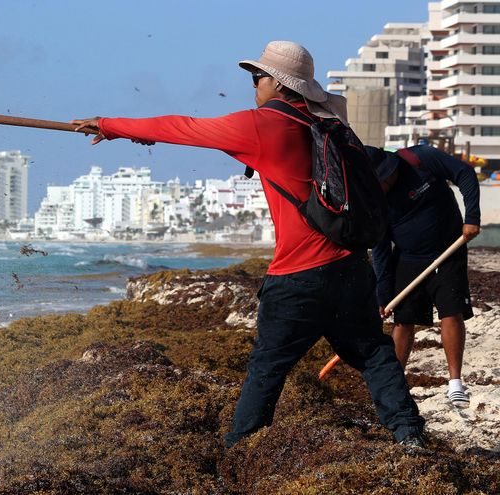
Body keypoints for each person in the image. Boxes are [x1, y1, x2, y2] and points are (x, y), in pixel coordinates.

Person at [72, 40, 426, 448]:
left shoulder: (260, 125)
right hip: (351, 267)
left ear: (276, 83)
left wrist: (109, 125)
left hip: (298, 276)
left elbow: (181, 127)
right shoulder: (327, 125)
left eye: (257, 78)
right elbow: (193, 136)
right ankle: (408, 433)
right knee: (373, 353)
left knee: (267, 367)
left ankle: (240, 447)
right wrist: (139, 136)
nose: (253, 87)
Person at [367, 145, 481, 408]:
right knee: (403, 321)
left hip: (448, 250)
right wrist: (382, 296)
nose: (383, 184)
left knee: (451, 313)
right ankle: (396, 384)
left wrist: (472, 217)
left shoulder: (419, 159)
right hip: (408, 258)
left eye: (384, 177)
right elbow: (382, 250)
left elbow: (464, 173)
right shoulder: (375, 199)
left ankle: (455, 383)